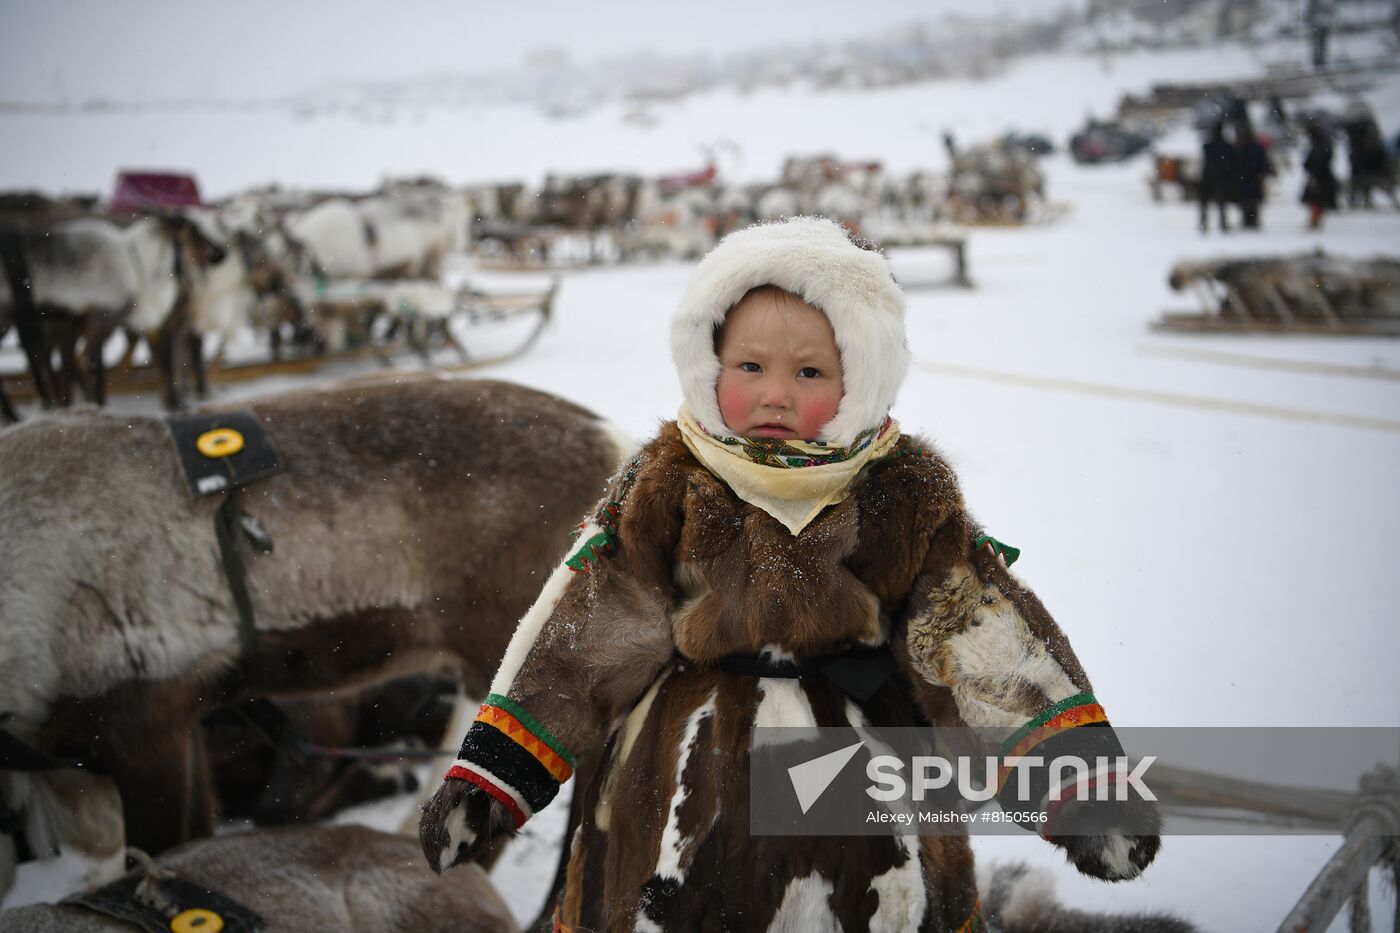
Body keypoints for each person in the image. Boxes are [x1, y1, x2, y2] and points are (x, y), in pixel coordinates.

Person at [418, 218, 1161, 931]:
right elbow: (593, 628)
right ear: (708, 362)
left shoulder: (901, 488)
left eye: (808, 371)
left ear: (860, 377)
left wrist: (1078, 783)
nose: (775, 393)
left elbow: (975, 634)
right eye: (750, 367)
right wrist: (496, 773)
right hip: (683, 773)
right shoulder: (671, 476)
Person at [1233, 120, 1272, 229]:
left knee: (1248, 201)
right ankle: (1251, 219)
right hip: (1250, 178)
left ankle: (1250, 220)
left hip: (1248, 178)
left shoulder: (1240, 147)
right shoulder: (1253, 147)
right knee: (1251, 201)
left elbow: (1262, 162)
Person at [1198, 120, 1235, 232]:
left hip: (1208, 174)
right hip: (1221, 175)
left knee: (1204, 202)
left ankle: (1203, 223)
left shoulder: (1208, 146)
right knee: (1221, 202)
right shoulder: (1226, 146)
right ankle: (1222, 223)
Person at [1301, 122, 1339, 230]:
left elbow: (1317, 161)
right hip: (1322, 175)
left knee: (1316, 200)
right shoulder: (1323, 144)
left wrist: (1311, 169)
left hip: (1319, 176)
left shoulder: (1319, 145)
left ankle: (1315, 220)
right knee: (1318, 201)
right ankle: (1315, 220)